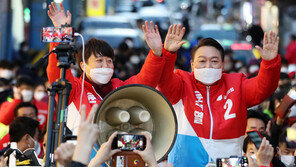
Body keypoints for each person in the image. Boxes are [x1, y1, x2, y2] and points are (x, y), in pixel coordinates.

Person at [156, 24, 281, 166]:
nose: (208, 65)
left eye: (214, 61)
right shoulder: (182, 82)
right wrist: (167, 54)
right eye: (202, 61)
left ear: (222, 65)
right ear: (192, 65)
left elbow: (264, 87)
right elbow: (163, 82)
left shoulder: (237, 84)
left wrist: (270, 63)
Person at [47, 2, 165, 134]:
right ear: (83, 65)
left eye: (109, 61)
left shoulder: (120, 88)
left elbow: (146, 81)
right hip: (82, 152)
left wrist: (156, 53)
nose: (106, 65)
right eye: (99, 61)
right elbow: (56, 72)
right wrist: (61, 32)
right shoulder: (74, 89)